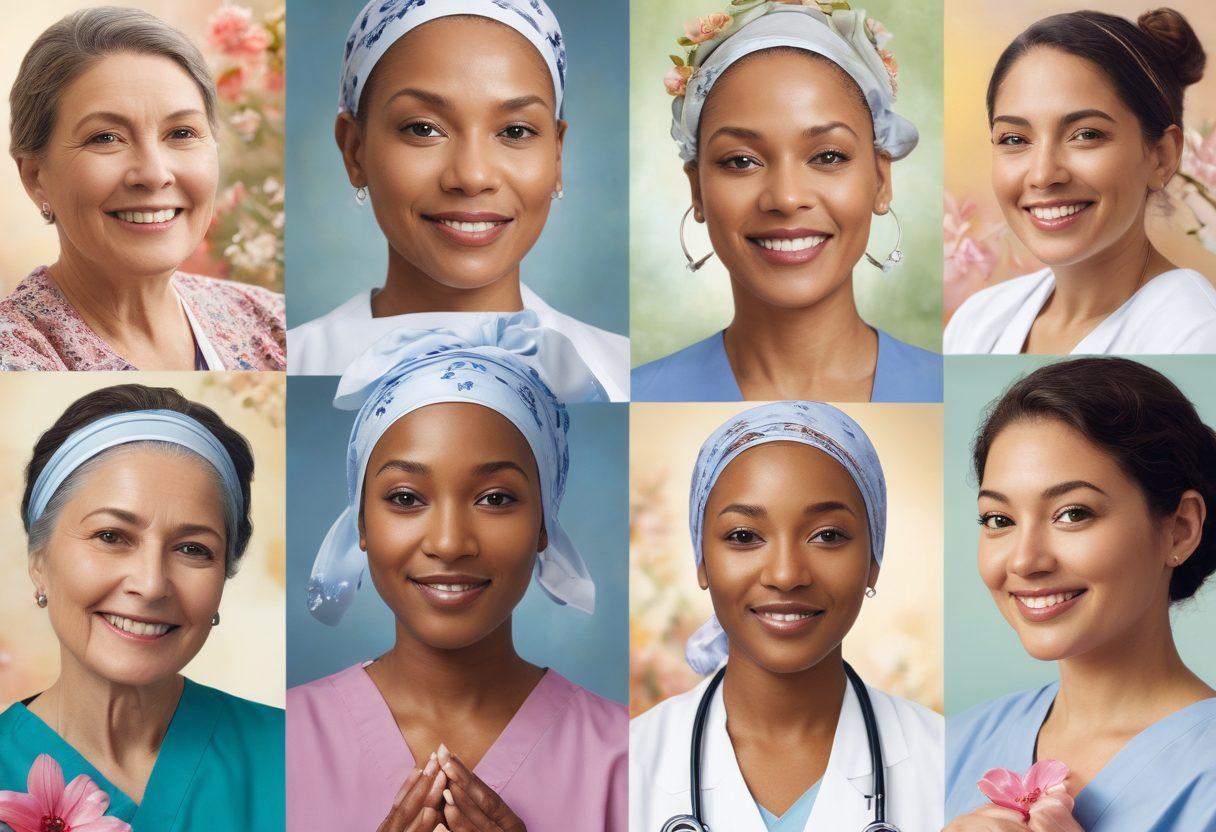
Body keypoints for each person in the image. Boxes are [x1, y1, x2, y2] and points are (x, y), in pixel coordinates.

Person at [287, 316, 626, 831]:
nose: (448, 542)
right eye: (405, 498)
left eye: (495, 498)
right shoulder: (282, 740)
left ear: (544, 525)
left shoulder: (623, 754)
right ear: (361, 522)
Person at [287, 0, 629, 400]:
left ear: (556, 156)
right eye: (423, 128)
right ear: (355, 150)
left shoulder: (622, 372)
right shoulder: (290, 361)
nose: (472, 176)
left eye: (515, 132)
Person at [630, 401, 943, 830]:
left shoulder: (944, 757)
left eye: (827, 535)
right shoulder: (628, 759)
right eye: (743, 536)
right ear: (702, 561)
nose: (785, 574)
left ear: (873, 561)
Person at [945, 358, 1216, 831]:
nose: (1025, 561)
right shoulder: (954, 743)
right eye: (999, 520)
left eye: (1072, 513)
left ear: (1179, 529)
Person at [0, 384, 283, 831]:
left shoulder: (296, 755)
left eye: (193, 549)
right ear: (39, 560)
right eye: (111, 537)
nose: (151, 585)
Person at [631, 2, 941, 403]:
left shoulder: (940, 389)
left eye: (828, 156)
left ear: (881, 179)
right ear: (697, 190)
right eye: (741, 161)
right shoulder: (638, 394)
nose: (787, 197)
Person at [1, 8, 285, 371]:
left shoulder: (272, 323)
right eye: (105, 138)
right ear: (36, 176)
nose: (154, 174)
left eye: (181, 133)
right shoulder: (15, 357)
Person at [944, 9, 1216, 355]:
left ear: (1161, 156)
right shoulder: (978, 321)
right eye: (1014, 139)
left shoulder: (1198, 337)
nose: (1043, 175)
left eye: (1085, 135)